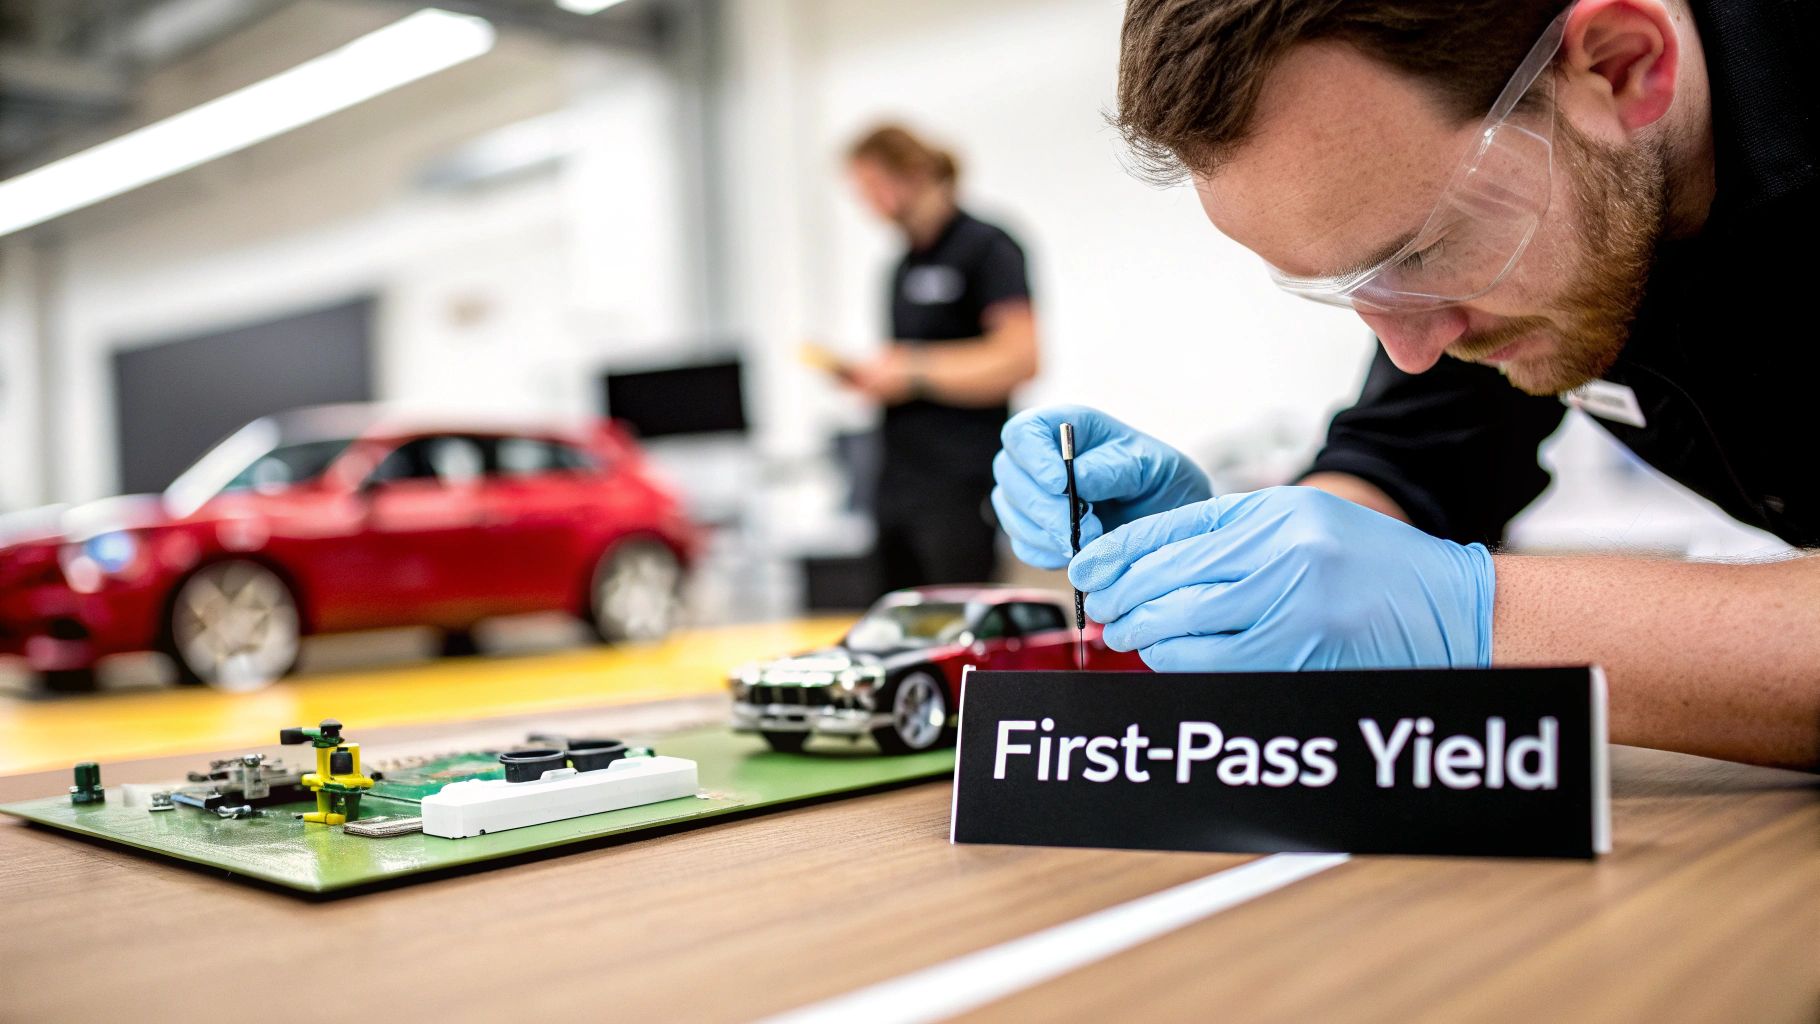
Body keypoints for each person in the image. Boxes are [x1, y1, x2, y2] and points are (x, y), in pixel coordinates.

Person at [991, 0, 1819, 770]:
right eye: (1360, 283)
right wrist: (1229, 570)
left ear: (1622, 63)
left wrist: (1478, 618)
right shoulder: (1506, 200)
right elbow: (1413, 459)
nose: (1413, 348)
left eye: (1420, 255)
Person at [837, 124, 1039, 591]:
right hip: (897, 477)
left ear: (908, 174)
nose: (867, 201)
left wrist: (912, 371)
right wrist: (875, 376)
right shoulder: (901, 266)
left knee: (958, 620)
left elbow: (1020, 358)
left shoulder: (988, 247)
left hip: (959, 482)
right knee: (890, 622)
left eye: (871, 186)